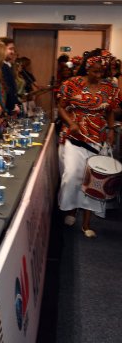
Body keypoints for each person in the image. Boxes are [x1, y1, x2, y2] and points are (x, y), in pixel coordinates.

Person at [58, 49, 120, 238]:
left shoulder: (110, 88)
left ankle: (86, 223)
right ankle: (70, 210)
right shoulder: (71, 83)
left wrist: (110, 130)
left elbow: (109, 111)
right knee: (72, 175)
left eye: (101, 72)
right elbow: (61, 107)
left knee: (94, 181)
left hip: (97, 138)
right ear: (87, 67)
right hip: (75, 136)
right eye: (94, 71)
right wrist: (72, 123)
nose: (98, 75)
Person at [0, 37, 20, 116]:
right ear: (1, 49)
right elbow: (7, 89)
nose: (13, 52)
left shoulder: (7, 65)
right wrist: (13, 106)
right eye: (10, 49)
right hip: (6, 109)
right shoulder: (1, 66)